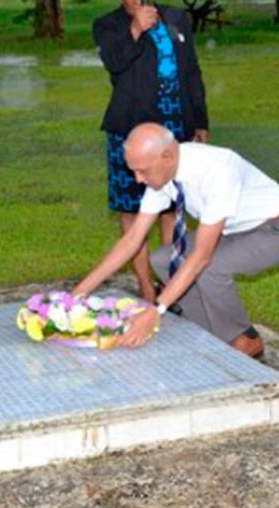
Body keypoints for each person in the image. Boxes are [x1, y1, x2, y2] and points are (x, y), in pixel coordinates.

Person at [73, 123, 279, 358]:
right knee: (163, 260)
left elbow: (202, 257)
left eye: (142, 171)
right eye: (134, 171)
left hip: (276, 230)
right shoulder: (163, 173)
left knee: (211, 268)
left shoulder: (217, 170)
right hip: (234, 230)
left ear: (167, 156)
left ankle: (245, 339)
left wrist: (156, 310)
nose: (138, 179)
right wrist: (79, 292)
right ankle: (209, 332)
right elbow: (133, 238)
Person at [94, 0, 209, 303]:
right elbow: (115, 63)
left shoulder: (176, 17)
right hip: (131, 130)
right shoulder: (108, 25)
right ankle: (146, 286)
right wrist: (135, 29)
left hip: (175, 124)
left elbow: (192, 70)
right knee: (132, 209)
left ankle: (169, 280)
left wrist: (200, 118)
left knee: (171, 208)